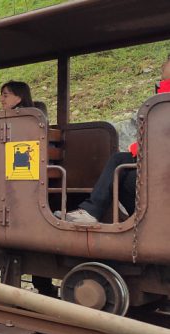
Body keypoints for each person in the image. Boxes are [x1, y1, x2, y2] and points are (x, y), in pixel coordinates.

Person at [62, 58, 170, 223]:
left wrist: (138, 148)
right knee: (120, 164)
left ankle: (96, 211)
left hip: (162, 168)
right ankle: (137, 218)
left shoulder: (163, 100)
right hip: (157, 164)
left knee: (121, 167)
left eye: (168, 61)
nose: (163, 65)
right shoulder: (161, 97)